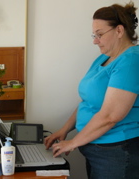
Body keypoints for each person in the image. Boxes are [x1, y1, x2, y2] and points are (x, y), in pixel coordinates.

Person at [44, 2, 139, 179]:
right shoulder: (104, 58)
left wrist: (72, 143)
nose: (95, 41)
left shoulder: (131, 60)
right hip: (96, 148)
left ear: (119, 31)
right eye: (94, 35)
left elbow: (111, 115)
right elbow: (87, 101)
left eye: (100, 34)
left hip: (117, 150)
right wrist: (65, 130)